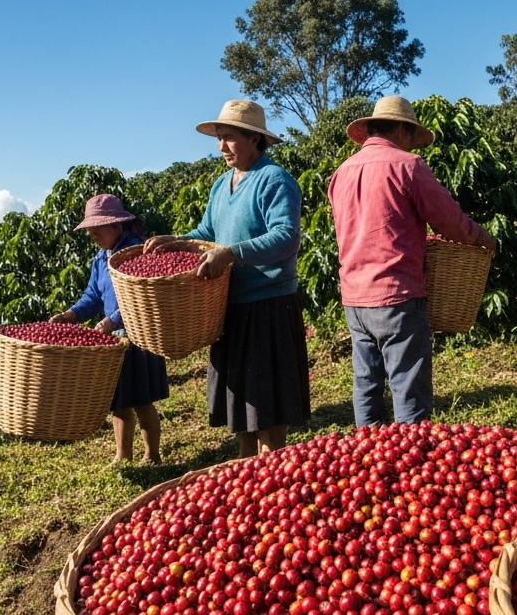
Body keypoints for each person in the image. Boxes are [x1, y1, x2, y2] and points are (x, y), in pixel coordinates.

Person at [144, 100, 309, 457]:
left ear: (254, 139)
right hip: (229, 307)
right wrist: (179, 242)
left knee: (267, 407)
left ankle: (272, 474)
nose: (221, 147)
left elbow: (286, 237)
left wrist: (231, 253)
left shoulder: (275, 180)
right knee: (242, 405)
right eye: (219, 138)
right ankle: (249, 474)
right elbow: (208, 230)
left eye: (229, 138)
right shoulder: (222, 185)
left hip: (268, 305)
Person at [328, 95, 498, 427]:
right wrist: (483, 238)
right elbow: (449, 222)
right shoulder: (407, 165)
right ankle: (412, 464)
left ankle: (369, 457)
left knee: (367, 383)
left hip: (354, 297)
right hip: (397, 294)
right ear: (404, 131)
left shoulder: (341, 172)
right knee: (408, 387)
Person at [51, 194, 168, 464]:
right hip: (114, 340)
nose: (92, 233)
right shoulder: (100, 259)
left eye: (98, 227)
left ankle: (152, 455)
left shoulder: (136, 252)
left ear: (116, 225)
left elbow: (140, 295)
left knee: (142, 399)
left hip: (139, 334)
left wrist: (112, 320)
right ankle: (122, 455)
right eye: (90, 229)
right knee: (119, 400)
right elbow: (93, 296)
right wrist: (71, 315)